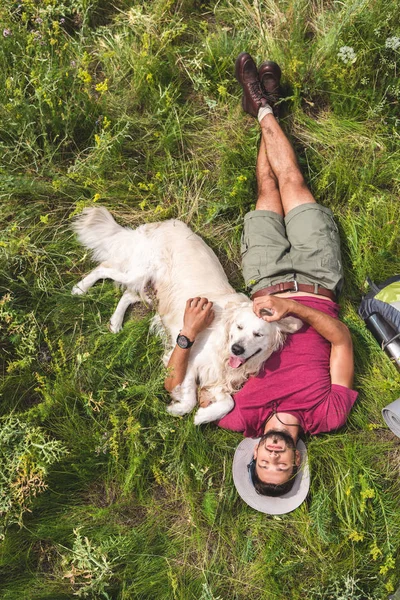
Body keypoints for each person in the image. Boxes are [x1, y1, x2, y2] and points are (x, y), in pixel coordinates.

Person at [164, 52, 358, 514]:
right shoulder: (327, 416)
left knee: (267, 191)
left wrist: (187, 335)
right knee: (292, 179)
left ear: (252, 456)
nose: (273, 456)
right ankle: (265, 106)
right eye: (282, 465)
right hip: (316, 281)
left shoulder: (240, 417)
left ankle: (264, 104)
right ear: (297, 461)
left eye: (264, 465)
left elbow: (174, 385)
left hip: (265, 276)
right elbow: (343, 343)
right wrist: (295, 310)